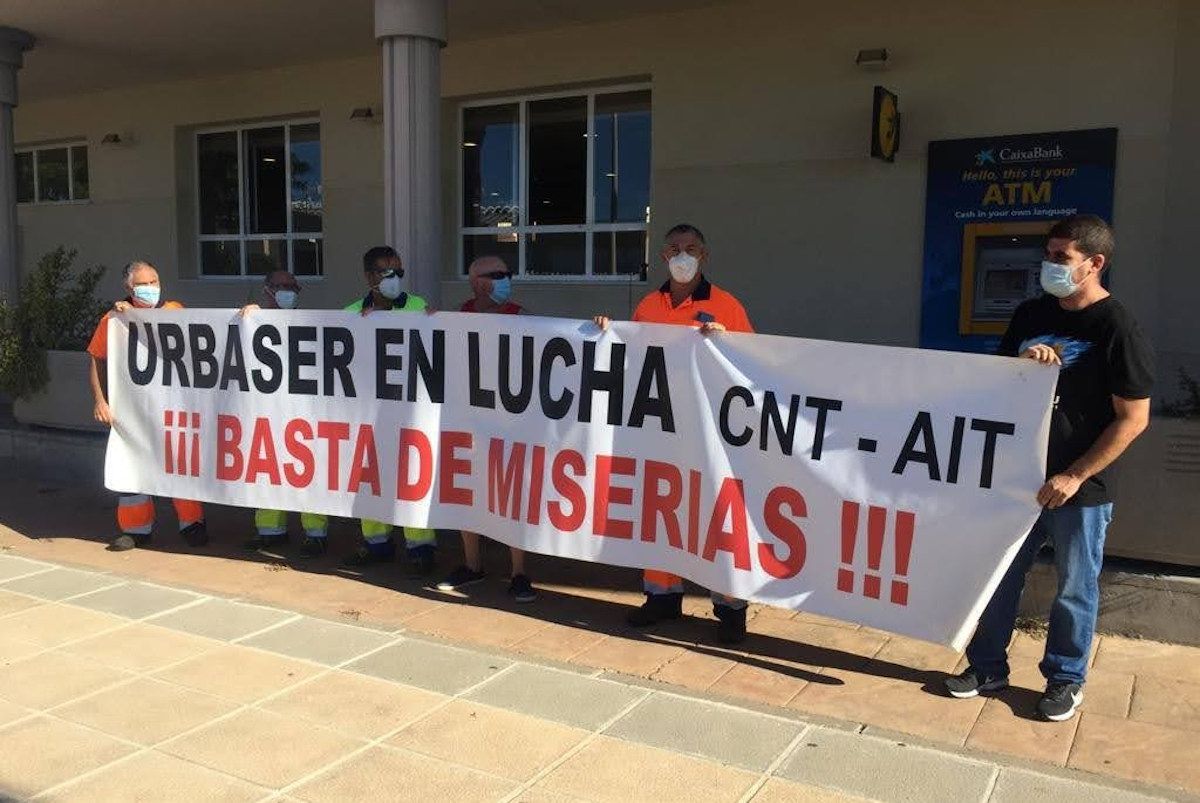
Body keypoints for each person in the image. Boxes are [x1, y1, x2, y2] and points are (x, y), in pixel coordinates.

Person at [945, 215, 1153, 722]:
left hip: (1078, 488)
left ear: (1094, 264)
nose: (1050, 266)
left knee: (1074, 586)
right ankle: (987, 666)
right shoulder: (1030, 313)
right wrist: (1023, 361)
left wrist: (1075, 475)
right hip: (1018, 478)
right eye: (1049, 255)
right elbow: (1000, 380)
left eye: (1062, 258)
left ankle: (1065, 679)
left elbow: (1133, 419)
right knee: (999, 576)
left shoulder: (1116, 326)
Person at [594, 223, 754, 643]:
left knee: (715, 513)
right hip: (658, 427)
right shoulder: (649, 304)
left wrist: (724, 341)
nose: (683, 256)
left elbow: (751, 363)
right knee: (660, 508)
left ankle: (730, 608)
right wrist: (607, 332)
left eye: (691, 248)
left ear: (704, 255)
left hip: (709, 430)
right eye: (675, 249)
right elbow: (629, 357)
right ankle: (661, 596)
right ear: (663, 257)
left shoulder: (727, 306)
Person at [87, 260, 207, 552]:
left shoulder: (175, 311)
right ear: (129, 288)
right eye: (144, 284)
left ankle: (192, 523)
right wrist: (100, 400)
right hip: (132, 411)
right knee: (132, 464)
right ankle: (136, 529)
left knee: (180, 462)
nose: (152, 288)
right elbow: (96, 358)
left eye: (155, 281)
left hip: (172, 408)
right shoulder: (114, 320)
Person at [435, 256, 536, 603]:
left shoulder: (520, 318)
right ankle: (472, 565)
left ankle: (519, 573)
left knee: (511, 495)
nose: (506, 279)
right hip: (467, 420)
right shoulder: (456, 317)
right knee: (468, 492)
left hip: (510, 423)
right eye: (497, 275)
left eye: (507, 274)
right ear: (476, 282)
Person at [338, 245, 438, 574]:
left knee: (412, 475)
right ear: (369, 277)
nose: (394, 278)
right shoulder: (351, 312)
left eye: (399, 271)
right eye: (386, 272)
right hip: (369, 409)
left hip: (409, 408)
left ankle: (420, 545)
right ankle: (376, 541)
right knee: (370, 476)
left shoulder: (419, 306)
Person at [238, 270, 331, 556]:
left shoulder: (310, 323)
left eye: (294, 287)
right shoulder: (252, 319)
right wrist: (247, 314)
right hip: (267, 410)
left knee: (308, 472)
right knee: (266, 468)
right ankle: (270, 531)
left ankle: (316, 533)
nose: (289, 291)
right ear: (267, 290)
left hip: (305, 411)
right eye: (282, 286)